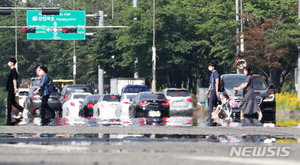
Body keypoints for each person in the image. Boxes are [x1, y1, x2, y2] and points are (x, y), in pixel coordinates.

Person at [6, 58, 24, 125]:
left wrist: (15, 88)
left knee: (9, 103)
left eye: (10, 62)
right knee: (13, 102)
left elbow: (14, 79)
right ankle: (22, 109)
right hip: (11, 88)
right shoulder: (13, 70)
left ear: (12, 63)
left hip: (12, 89)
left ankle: (9, 118)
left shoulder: (13, 71)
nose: (9, 63)